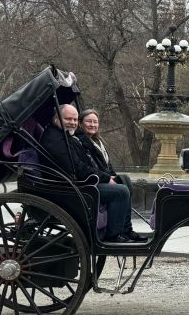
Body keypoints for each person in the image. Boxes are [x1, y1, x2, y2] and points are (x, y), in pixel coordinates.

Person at [40, 104, 139, 243]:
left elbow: (84, 162)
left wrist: (106, 176)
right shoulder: (56, 140)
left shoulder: (64, 135)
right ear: (56, 118)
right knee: (120, 192)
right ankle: (112, 236)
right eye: (68, 119)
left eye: (75, 119)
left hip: (76, 183)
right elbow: (77, 168)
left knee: (123, 181)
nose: (73, 123)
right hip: (70, 188)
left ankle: (125, 230)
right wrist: (104, 178)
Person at [78, 109, 144, 239]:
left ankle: (126, 229)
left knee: (125, 180)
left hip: (100, 177)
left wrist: (113, 175)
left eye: (95, 122)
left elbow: (106, 165)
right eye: (89, 122)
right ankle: (114, 234)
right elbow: (90, 167)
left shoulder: (97, 142)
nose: (92, 125)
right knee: (122, 190)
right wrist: (107, 178)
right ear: (81, 124)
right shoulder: (82, 141)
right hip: (91, 182)